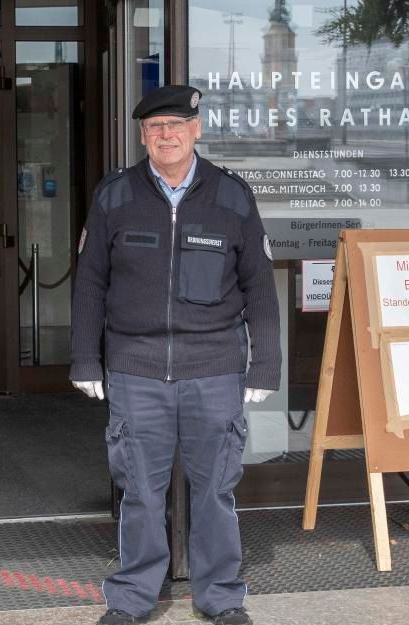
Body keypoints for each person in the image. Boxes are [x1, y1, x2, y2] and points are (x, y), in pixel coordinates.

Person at [70, 85, 280, 625]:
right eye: (155, 127)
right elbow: (90, 283)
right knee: (140, 492)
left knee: (215, 492)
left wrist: (265, 365)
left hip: (214, 368)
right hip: (136, 368)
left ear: (196, 130)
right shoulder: (115, 195)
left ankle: (221, 597)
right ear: (143, 136)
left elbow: (259, 286)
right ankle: (132, 598)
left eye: (177, 125)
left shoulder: (232, 195)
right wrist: (85, 359)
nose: (167, 135)